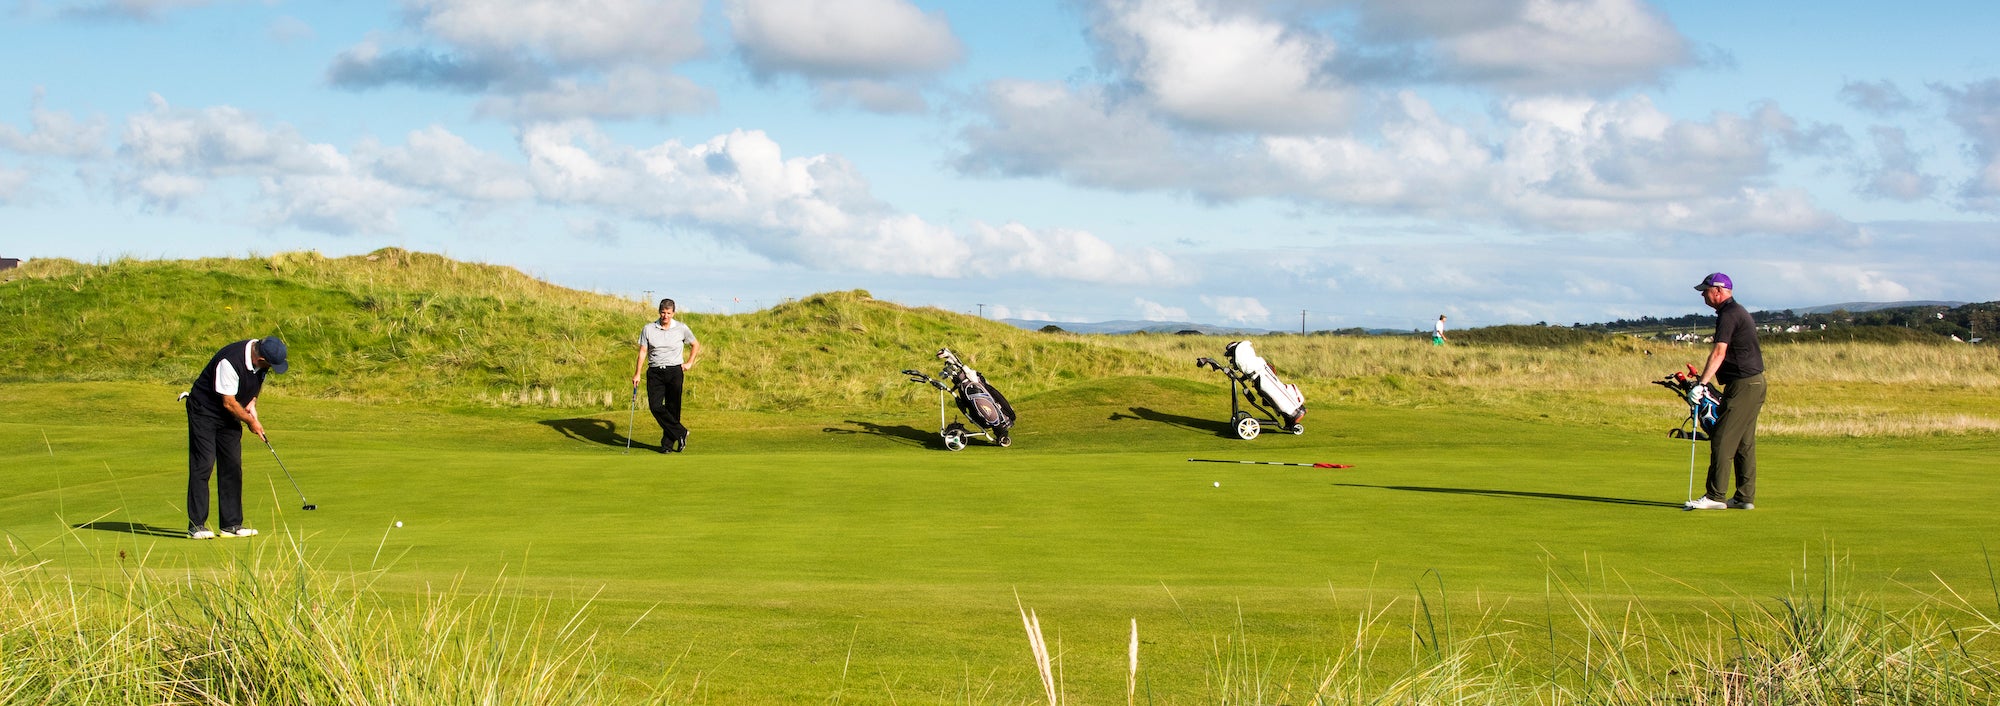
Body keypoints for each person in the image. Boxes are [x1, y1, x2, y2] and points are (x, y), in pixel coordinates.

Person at [185, 336, 288, 539]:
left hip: (231, 414)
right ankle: (196, 526)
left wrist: (252, 404)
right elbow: (229, 403)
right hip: (204, 411)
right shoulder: (230, 362)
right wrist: (251, 422)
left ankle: (231, 524)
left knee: (232, 464)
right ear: (261, 359)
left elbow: (256, 384)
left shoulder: (262, 357)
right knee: (204, 464)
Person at [1685, 273, 1765, 510]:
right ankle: (1743, 498)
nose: (1702, 295)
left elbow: (1719, 352)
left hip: (1744, 385)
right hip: (1752, 383)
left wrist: (1701, 384)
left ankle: (1716, 496)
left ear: (1718, 291)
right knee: (1743, 441)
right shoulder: (1734, 312)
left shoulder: (1729, 315)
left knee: (1722, 436)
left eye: (1705, 290)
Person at [631, 298, 703, 453]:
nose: (665, 316)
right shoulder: (648, 328)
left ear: (673, 313)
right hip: (655, 371)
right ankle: (681, 432)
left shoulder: (681, 328)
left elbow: (695, 345)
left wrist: (690, 362)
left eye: (669, 313)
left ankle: (667, 445)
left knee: (673, 407)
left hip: (674, 371)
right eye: (663, 312)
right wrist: (637, 373)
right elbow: (643, 351)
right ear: (659, 312)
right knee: (655, 406)